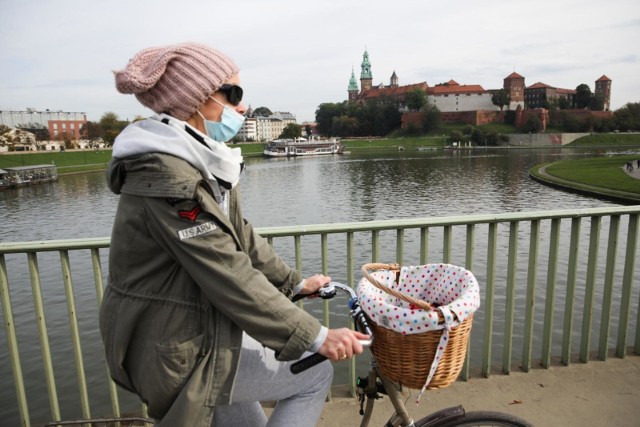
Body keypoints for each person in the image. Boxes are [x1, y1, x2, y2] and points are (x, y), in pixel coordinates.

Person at [99, 42, 368, 427]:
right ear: (196, 98)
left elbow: (242, 239)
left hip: (189, 331)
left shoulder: (201, 162)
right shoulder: (171, 179)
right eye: (234, 93)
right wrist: (315, 336)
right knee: (315, 374)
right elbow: (227, 270)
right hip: (175, 348)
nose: (242, 106)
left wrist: (294, 283)